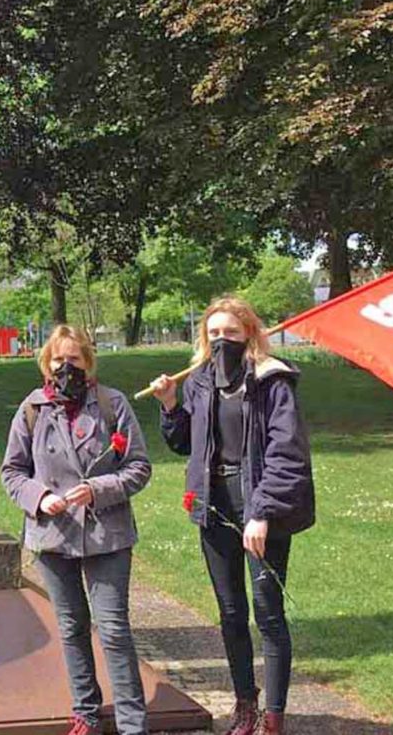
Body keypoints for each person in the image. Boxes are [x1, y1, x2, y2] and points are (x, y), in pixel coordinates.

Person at [148, 296, 315, 735]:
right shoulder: (199, 381)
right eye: (214, 333)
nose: (222, 340)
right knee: (230, 611)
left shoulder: (272, 380)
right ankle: (246, 706)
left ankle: (274, 718)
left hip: (260, 505)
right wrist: (169, 406)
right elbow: (186, 443)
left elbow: (287, 454)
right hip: (214, 504)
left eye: (231, 333)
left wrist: (260, 513)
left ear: (250, 335)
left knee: (268, 610)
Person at [1, 325, 151, 735]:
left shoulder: (113, 404)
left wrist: (99, 489)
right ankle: (86, 712)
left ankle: (131, 722)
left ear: (89, 362)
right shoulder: (31, 410)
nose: (66, 368)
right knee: (70, 626)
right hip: (53, 534)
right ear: (46, 364)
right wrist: (38, 497)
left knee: (114, 628)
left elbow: (139, 467)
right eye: (58, 361)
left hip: (108, 535)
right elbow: (12, 471)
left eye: (75, 360)